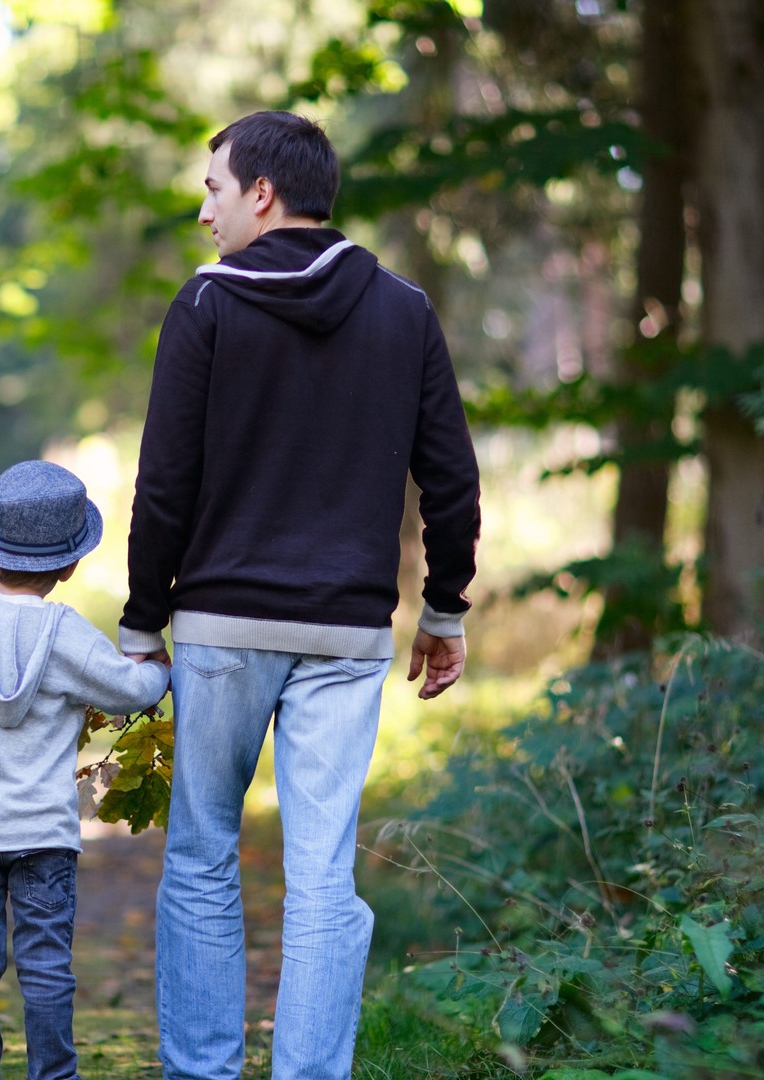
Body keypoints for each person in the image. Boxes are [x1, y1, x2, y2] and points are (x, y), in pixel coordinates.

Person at [122, 110, 481, 1080]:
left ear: (262, 195)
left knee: (201, 857)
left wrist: (140, 619)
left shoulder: (206, 306)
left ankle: (200, 1070)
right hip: (348, 633)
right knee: (325, 873)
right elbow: (450, 477)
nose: (205, 212)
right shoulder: (404, 309)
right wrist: (444, 609)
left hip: (220, 628)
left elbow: (166, 484)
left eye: (213, 189)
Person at [0, 459, 170, 1080]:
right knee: (45, 966)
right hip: (43, 833)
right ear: (68, 567)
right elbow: (130, 690)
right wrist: (160, 669)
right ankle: (54, 1073)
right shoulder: (69, 634)